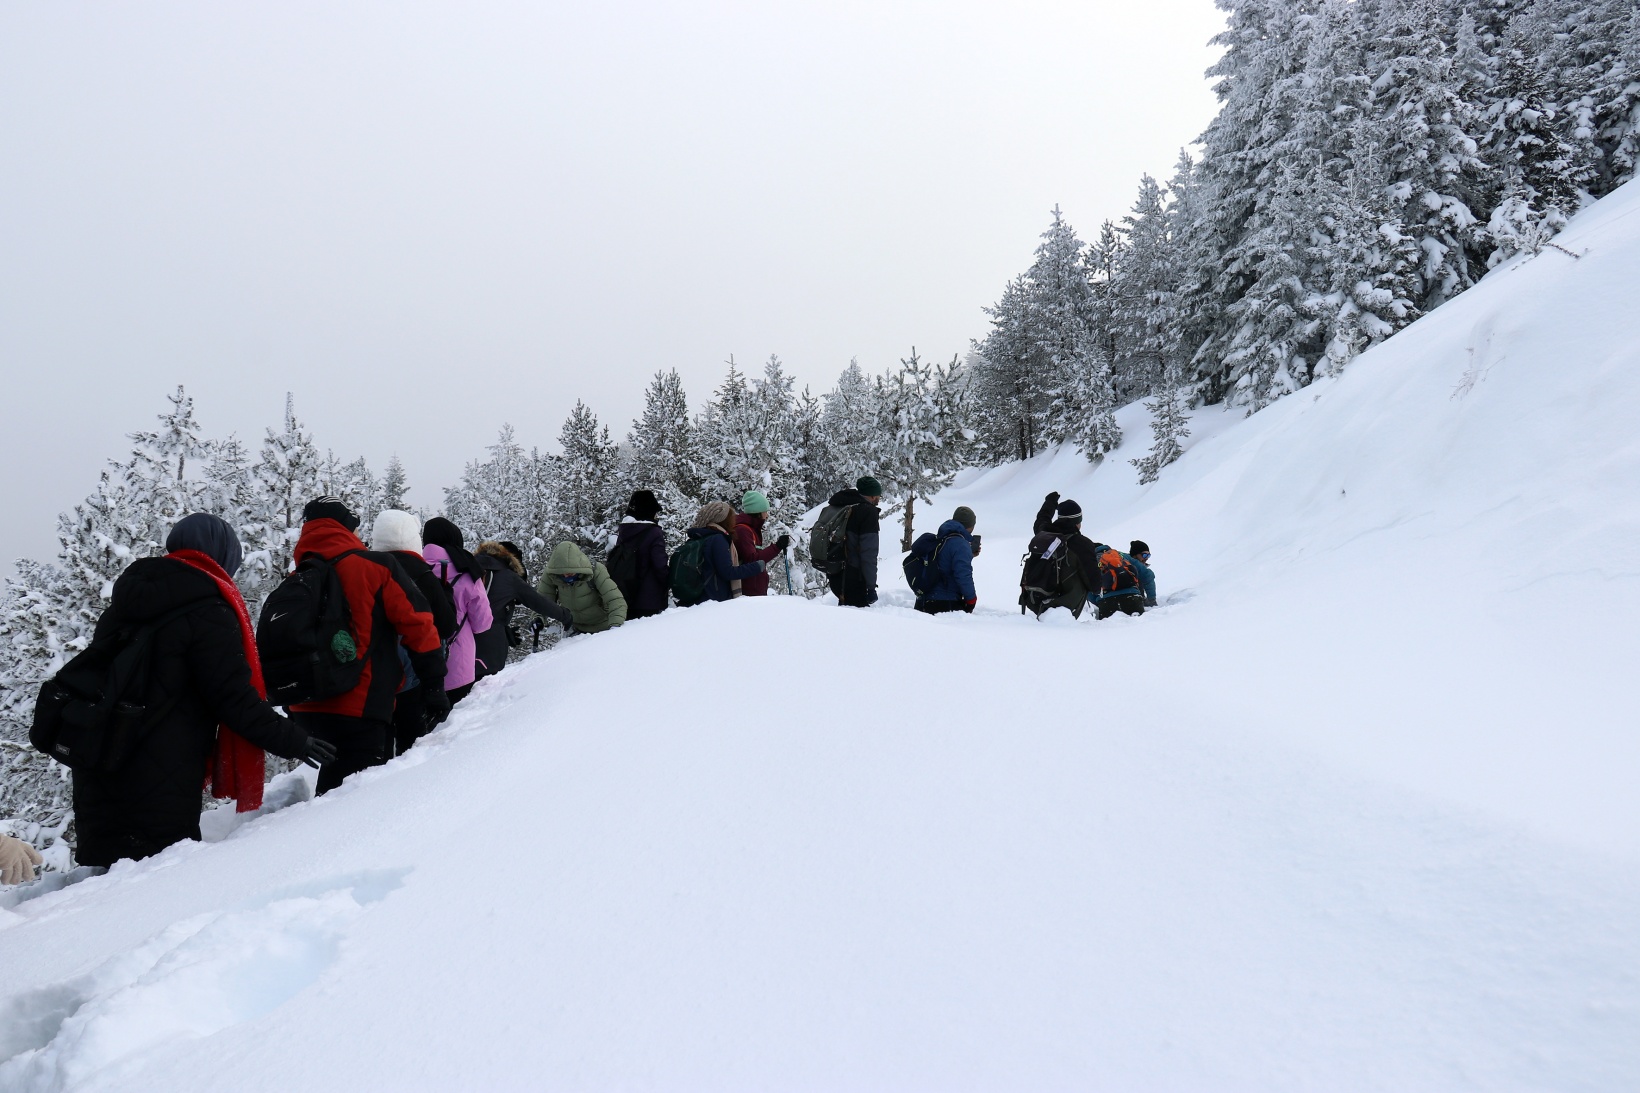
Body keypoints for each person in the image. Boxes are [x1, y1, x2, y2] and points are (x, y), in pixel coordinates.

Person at [43, 513, 335, 864]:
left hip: (105, 758)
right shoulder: (208, 611)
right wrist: (294, 740)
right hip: (161, 775)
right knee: (155, 882)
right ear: (221, 557)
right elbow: (232, 698)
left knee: (110, 887)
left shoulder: (126, 603)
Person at [286, 497, 447, 796]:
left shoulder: (298, 577)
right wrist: (434, 684)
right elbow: (420, 625)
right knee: (357, 798)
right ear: (346, 528)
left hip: (305, 707)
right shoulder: (375, 567)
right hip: (361, 704)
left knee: (333, 787)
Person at [370, 509, 459, 755]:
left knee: (377, 750)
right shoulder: (423, 575)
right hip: (414, 674)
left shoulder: (363, 572)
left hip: (373, 678)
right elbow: (447, 625)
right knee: (411, 745)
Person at [420, 517, 494, 708]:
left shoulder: (411, 567)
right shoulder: (467, 571)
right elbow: (482, 623)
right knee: (454, 728)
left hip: (418, 661)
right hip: (457, 664)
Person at [472, 539, 571, 677]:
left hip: (461, 640)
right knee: (484, 689)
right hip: (489, 647)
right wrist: (565, 616)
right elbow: (538, 602)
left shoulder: (469, 569)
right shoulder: (507, 576)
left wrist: (504, 630)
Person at [1021, 492, 1105, 619]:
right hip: (1063, 606)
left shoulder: (1043, 533)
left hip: (1034, 599)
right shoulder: (1082, 544)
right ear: (1077, 522)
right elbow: (1094, 585)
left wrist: (1050, 502)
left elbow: (1041, 519)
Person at [678, 501, 766, 604]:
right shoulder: (717, 539)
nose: (734, 520)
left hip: (700, 597)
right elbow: (728, 572)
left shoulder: (699, 537)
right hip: (712, 600)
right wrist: (757, 566)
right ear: (723, 520)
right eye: (731, 517)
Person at [536, 541, 628, 632]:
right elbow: (543, 601)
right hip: (575, 630)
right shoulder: (552, 575)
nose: (567, 576)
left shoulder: (596, 571)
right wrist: (538, 618)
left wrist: (615, 626)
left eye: (571, 573)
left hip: (603, 626)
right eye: (563, 574)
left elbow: (615, 599)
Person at [608, 490, 672, 619]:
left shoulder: (625, 531)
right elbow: (660, 565)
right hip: (649, 599)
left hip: (626, 593)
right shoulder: (654, 533)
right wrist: (669, 582)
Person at [824, 476, 882, 607]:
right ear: (873, 496)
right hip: (854, 577)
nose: (879, 499)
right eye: (878, 496)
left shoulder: (841, 504)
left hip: (835, 571)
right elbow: (869, 552)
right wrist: (871, 587)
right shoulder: (868, 512)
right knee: (857, 622)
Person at [915, 506, 979, 615]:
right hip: (945, 603)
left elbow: (943, 561)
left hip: (924, 601)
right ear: (970, 525)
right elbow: (963, 574)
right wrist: (971, 599)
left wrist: (970, 555)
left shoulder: (941, 538)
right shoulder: (961, 544)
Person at [731, 490, 791, 597]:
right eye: (765, 511)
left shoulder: (750, 529)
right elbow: (752, 560)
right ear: (757, 511)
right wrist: (777, 547)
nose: (767, 515)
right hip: (748, 592)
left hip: (753, 589)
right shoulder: (743, 530)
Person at [1092, 540, 1158, 620]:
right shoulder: (1120, 555)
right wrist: (1152, 600)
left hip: (1106, 602)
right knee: (1140, 627)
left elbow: (1089, 590)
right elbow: (1148, 575)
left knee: (1110, 631)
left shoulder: (1090, 561)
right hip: (1133, 598)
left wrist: (1098, 601)